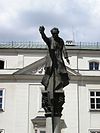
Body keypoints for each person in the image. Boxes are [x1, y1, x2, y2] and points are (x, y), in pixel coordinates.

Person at [39, 26, 70, 91]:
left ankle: (59, 85)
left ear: (58, 33)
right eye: (53, 34)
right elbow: (45, 39)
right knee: (49, 72)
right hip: (51, 59)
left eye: (56, 33)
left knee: (61, 72)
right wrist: (42, 33)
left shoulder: (60, 40)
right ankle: (47, 84)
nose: (55, 35)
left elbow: (64, 49)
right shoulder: (50, 40)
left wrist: (66, 57)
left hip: (58, 59)